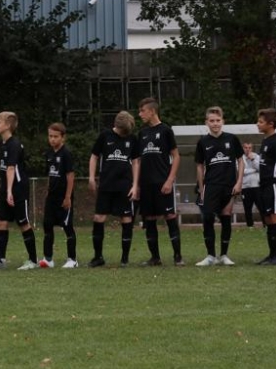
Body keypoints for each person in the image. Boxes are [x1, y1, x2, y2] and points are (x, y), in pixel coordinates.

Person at [0, 112, 39, 270]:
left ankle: (33, 260)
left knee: (23, 223)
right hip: (6, 188)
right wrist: (5, 190)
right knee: (1, 222)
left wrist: (9, 191)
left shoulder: (14, 144)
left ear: (7, 125)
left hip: (18, 189)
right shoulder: (3, 145)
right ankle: (0, 260)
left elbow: (11, 168)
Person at [88, 111, 141, 268]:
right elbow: (94, 156)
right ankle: (98, 257)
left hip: (124, 186)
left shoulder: (132, 139)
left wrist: (135, 185)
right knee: (99, 218)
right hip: (106, 185)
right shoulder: (105, 136)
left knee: (126, 218)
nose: (125, 134)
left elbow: (136, 162)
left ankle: (124, 259)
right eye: (123, 131)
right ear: (117, 125)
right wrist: (91, 177)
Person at [194, 106, 244, 266]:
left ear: (223, 121)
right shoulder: (203, 142)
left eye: (217, 120)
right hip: (211, 185)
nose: (215, 123)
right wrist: (201, 187)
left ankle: (224, 255)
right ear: (206, 122)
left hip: (229, 185)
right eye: (212, 121)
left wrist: (239, 182)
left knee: (226, 217)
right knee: (208, 216)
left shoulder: (232, 139)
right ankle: (210, 256)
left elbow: (240, 161)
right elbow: (199, 166)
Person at [136, 97, 183, 266]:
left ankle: (178, 257)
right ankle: (155, 258)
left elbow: (176, 156)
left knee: (170, 216)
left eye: (142, 111)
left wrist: (170, 180)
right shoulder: (142, 133)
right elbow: (138, 161)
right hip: (146, 184)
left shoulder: (165, 131)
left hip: (163, 183)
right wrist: (137, 185)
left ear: (152, 111)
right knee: (149, 219)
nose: (140, 114)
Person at [38, 122, 78, 269]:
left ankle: (72, 259)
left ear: (63, 137)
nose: (52, 139)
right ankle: (48, 259)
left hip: (63, 197)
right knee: (47, 225)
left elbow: (70, 176)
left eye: (56, 136)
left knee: (67, 226)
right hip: (52, 197)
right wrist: (48, 190)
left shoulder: (66, 154)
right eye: (50, 136)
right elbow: (50, 174)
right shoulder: (49, 154)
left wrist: (68, 197)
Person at [255, 109, 276, 265]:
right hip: (264, 184)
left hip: (274, 184)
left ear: (270, 124)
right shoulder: (265, 141)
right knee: (268, 218)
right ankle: (271, 254)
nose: (258, 124)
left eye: (261, 122)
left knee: (275, 216)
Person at [241, 142, 261, 228]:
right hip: (245, 187)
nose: (248, 149)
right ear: (243, 148)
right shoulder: (240, 158)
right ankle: (250, 226)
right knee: (247, 208)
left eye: (249, 147)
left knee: (261, 206)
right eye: (246, 147)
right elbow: (242, 171)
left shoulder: (256, 156)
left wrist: (252, 160)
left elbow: (260, 168)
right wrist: (254, 170)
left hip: (257, 186)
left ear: (252, 148)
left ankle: (266, 224)